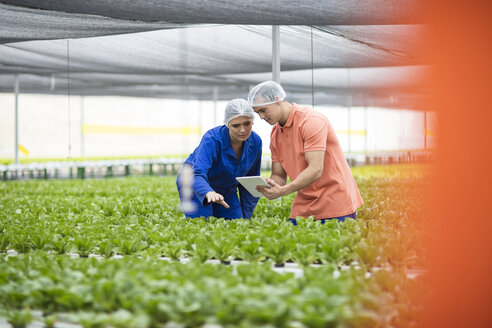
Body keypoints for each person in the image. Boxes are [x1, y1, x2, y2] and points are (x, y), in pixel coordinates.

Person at [248, 81, 363, 225]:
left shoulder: (311, 121)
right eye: (257, 112)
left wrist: (283, 191)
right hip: (304, 202)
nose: (261, 117)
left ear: (277, 100)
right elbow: (278, 175)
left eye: (263, 110)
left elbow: (315, 169)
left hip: (334, 200)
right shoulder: (275, 134)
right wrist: (271, 185)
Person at [176, 98, 262, 219]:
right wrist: (208, 192)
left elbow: (250, 181)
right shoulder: (212, 139)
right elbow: (197, 172)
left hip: (225, 189)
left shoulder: (256, 142)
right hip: (195, 184)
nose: (242, 130)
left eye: (247, 123)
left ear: (252, 121)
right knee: (202, 225)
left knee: (237, 224)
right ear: (227, 124)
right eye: (236, 125)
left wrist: (245, 217)